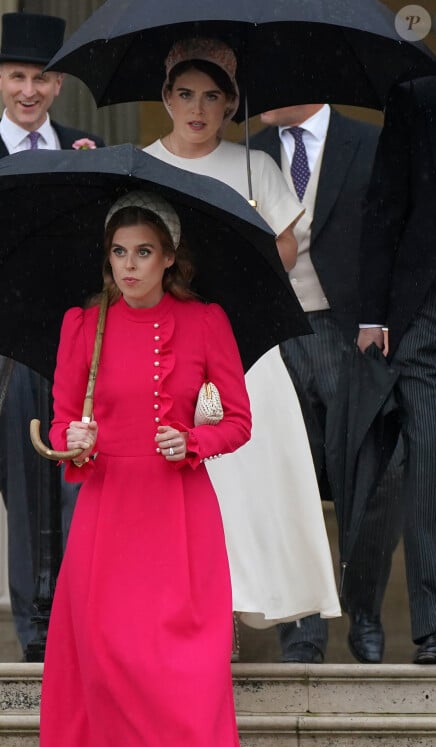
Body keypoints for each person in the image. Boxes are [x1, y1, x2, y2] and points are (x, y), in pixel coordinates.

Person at [39, 191, 251, 747]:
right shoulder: (82, 325)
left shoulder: (205, 320)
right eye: (118, 253)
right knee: (104, 668)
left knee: (174, 673)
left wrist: (191, 440)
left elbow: (239, 421)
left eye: (143, 253)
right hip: (107, 512)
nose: (129, 266)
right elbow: (64, 421)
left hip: (178, 510)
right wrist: (76, 441)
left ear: (168, 259)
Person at [144, 38, 341, 644]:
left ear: (230, 106)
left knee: (254, 479)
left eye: (211, 98)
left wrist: (240, 261)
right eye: (185, 95)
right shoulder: (143, 163)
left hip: (241, 342)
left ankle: (262, 609)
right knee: (176, 482)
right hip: (167, 342)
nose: (197, 109)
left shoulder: (255, 165)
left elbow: (286, 244)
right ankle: (184, 619)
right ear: (166, 99)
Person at [0, 12, 103, 653]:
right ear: (0, 81)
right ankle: (38, 628)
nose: (28, 90)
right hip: (4, 346)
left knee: (81, 480)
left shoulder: (86, 150)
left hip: (81, 343)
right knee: (25, 486)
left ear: (59, 84)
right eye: (16, 77)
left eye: (41, 77)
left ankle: (80, 618)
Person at [253, 103, 403, 663]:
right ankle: (304, 634)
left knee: (375, 476)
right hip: (271, 334)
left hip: (350, 333)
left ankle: (363, 610)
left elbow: (394, 230)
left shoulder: (369, 143)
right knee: (288, 482)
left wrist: (383, 319)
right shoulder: (248, 150)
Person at [358, 76, 436, 664]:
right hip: (424, 314)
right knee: (428, 466)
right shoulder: (416, 97)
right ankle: (433, 625)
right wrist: (372, 316)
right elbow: (385, 208)